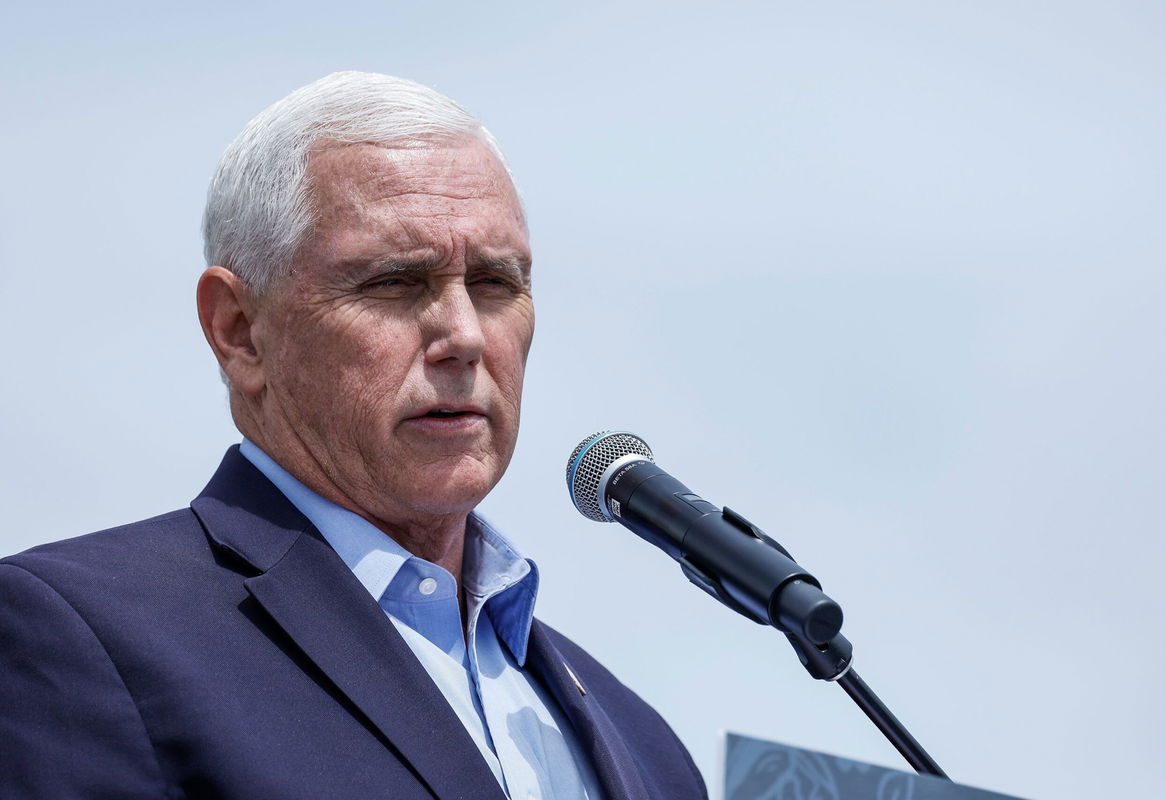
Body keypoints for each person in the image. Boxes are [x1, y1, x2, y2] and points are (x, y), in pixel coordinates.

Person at [0, 71, 706, 800]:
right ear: (240, 331)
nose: (464, 336)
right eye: (395, 283)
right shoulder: (79, 635)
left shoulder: (643, 741)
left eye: (496, 283)